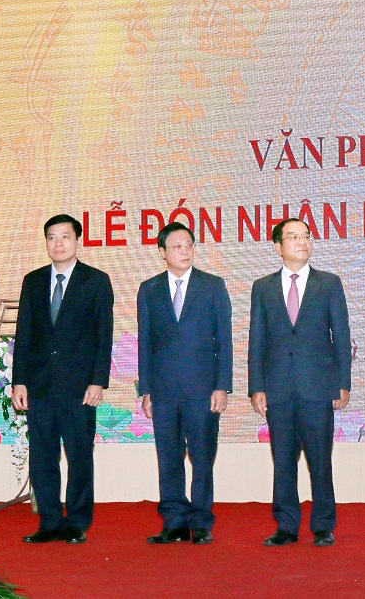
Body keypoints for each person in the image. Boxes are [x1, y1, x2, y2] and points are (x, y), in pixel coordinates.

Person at [248, 218, 351, 548]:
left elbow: (342, 337)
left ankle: (323, 525)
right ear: (278, 247)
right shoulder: (263, 288)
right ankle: (286, 526)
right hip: (277, 388)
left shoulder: (328, 283)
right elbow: (257, 340)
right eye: (293, 237)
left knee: (320, 461)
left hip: (317, 387)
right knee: (283, 461)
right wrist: (256, 386)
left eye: (305, 236)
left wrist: (342, 383)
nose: (302, 241)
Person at [12, 214, 114, 544]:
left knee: (79, 455)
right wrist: (19, 381)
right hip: (40, 385)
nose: (58, 243)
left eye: (65, 237)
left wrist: (98, 381)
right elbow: (24, 334)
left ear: (77, 241)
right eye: (52, 237)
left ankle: (77, 521)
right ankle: (49, 521)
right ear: (46, 243)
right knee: (42, 456)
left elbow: (104, 336)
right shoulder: (33, 281)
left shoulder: (96, 281)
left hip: (80, 386)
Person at [138, 222, 233, 546]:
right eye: (177, 246)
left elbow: (224, 341)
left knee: (203, 457)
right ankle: (174, 522)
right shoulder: (149, 290)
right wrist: (146, 390)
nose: (184, 251)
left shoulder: (212, 286)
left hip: (203, 389)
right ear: (162, 252)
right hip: (163, 390)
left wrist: (222, 386)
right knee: (168, 457)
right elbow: (145, 343)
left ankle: (201, 522)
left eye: (189, 245)